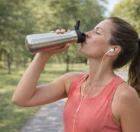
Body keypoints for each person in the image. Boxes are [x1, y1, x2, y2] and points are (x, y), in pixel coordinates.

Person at [12, 17, 140, 132]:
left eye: (97, 32)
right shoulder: (71, 81)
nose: (87, 33)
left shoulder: (124, 95)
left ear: (114, 50)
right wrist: (44, 54)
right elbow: (21, 99)